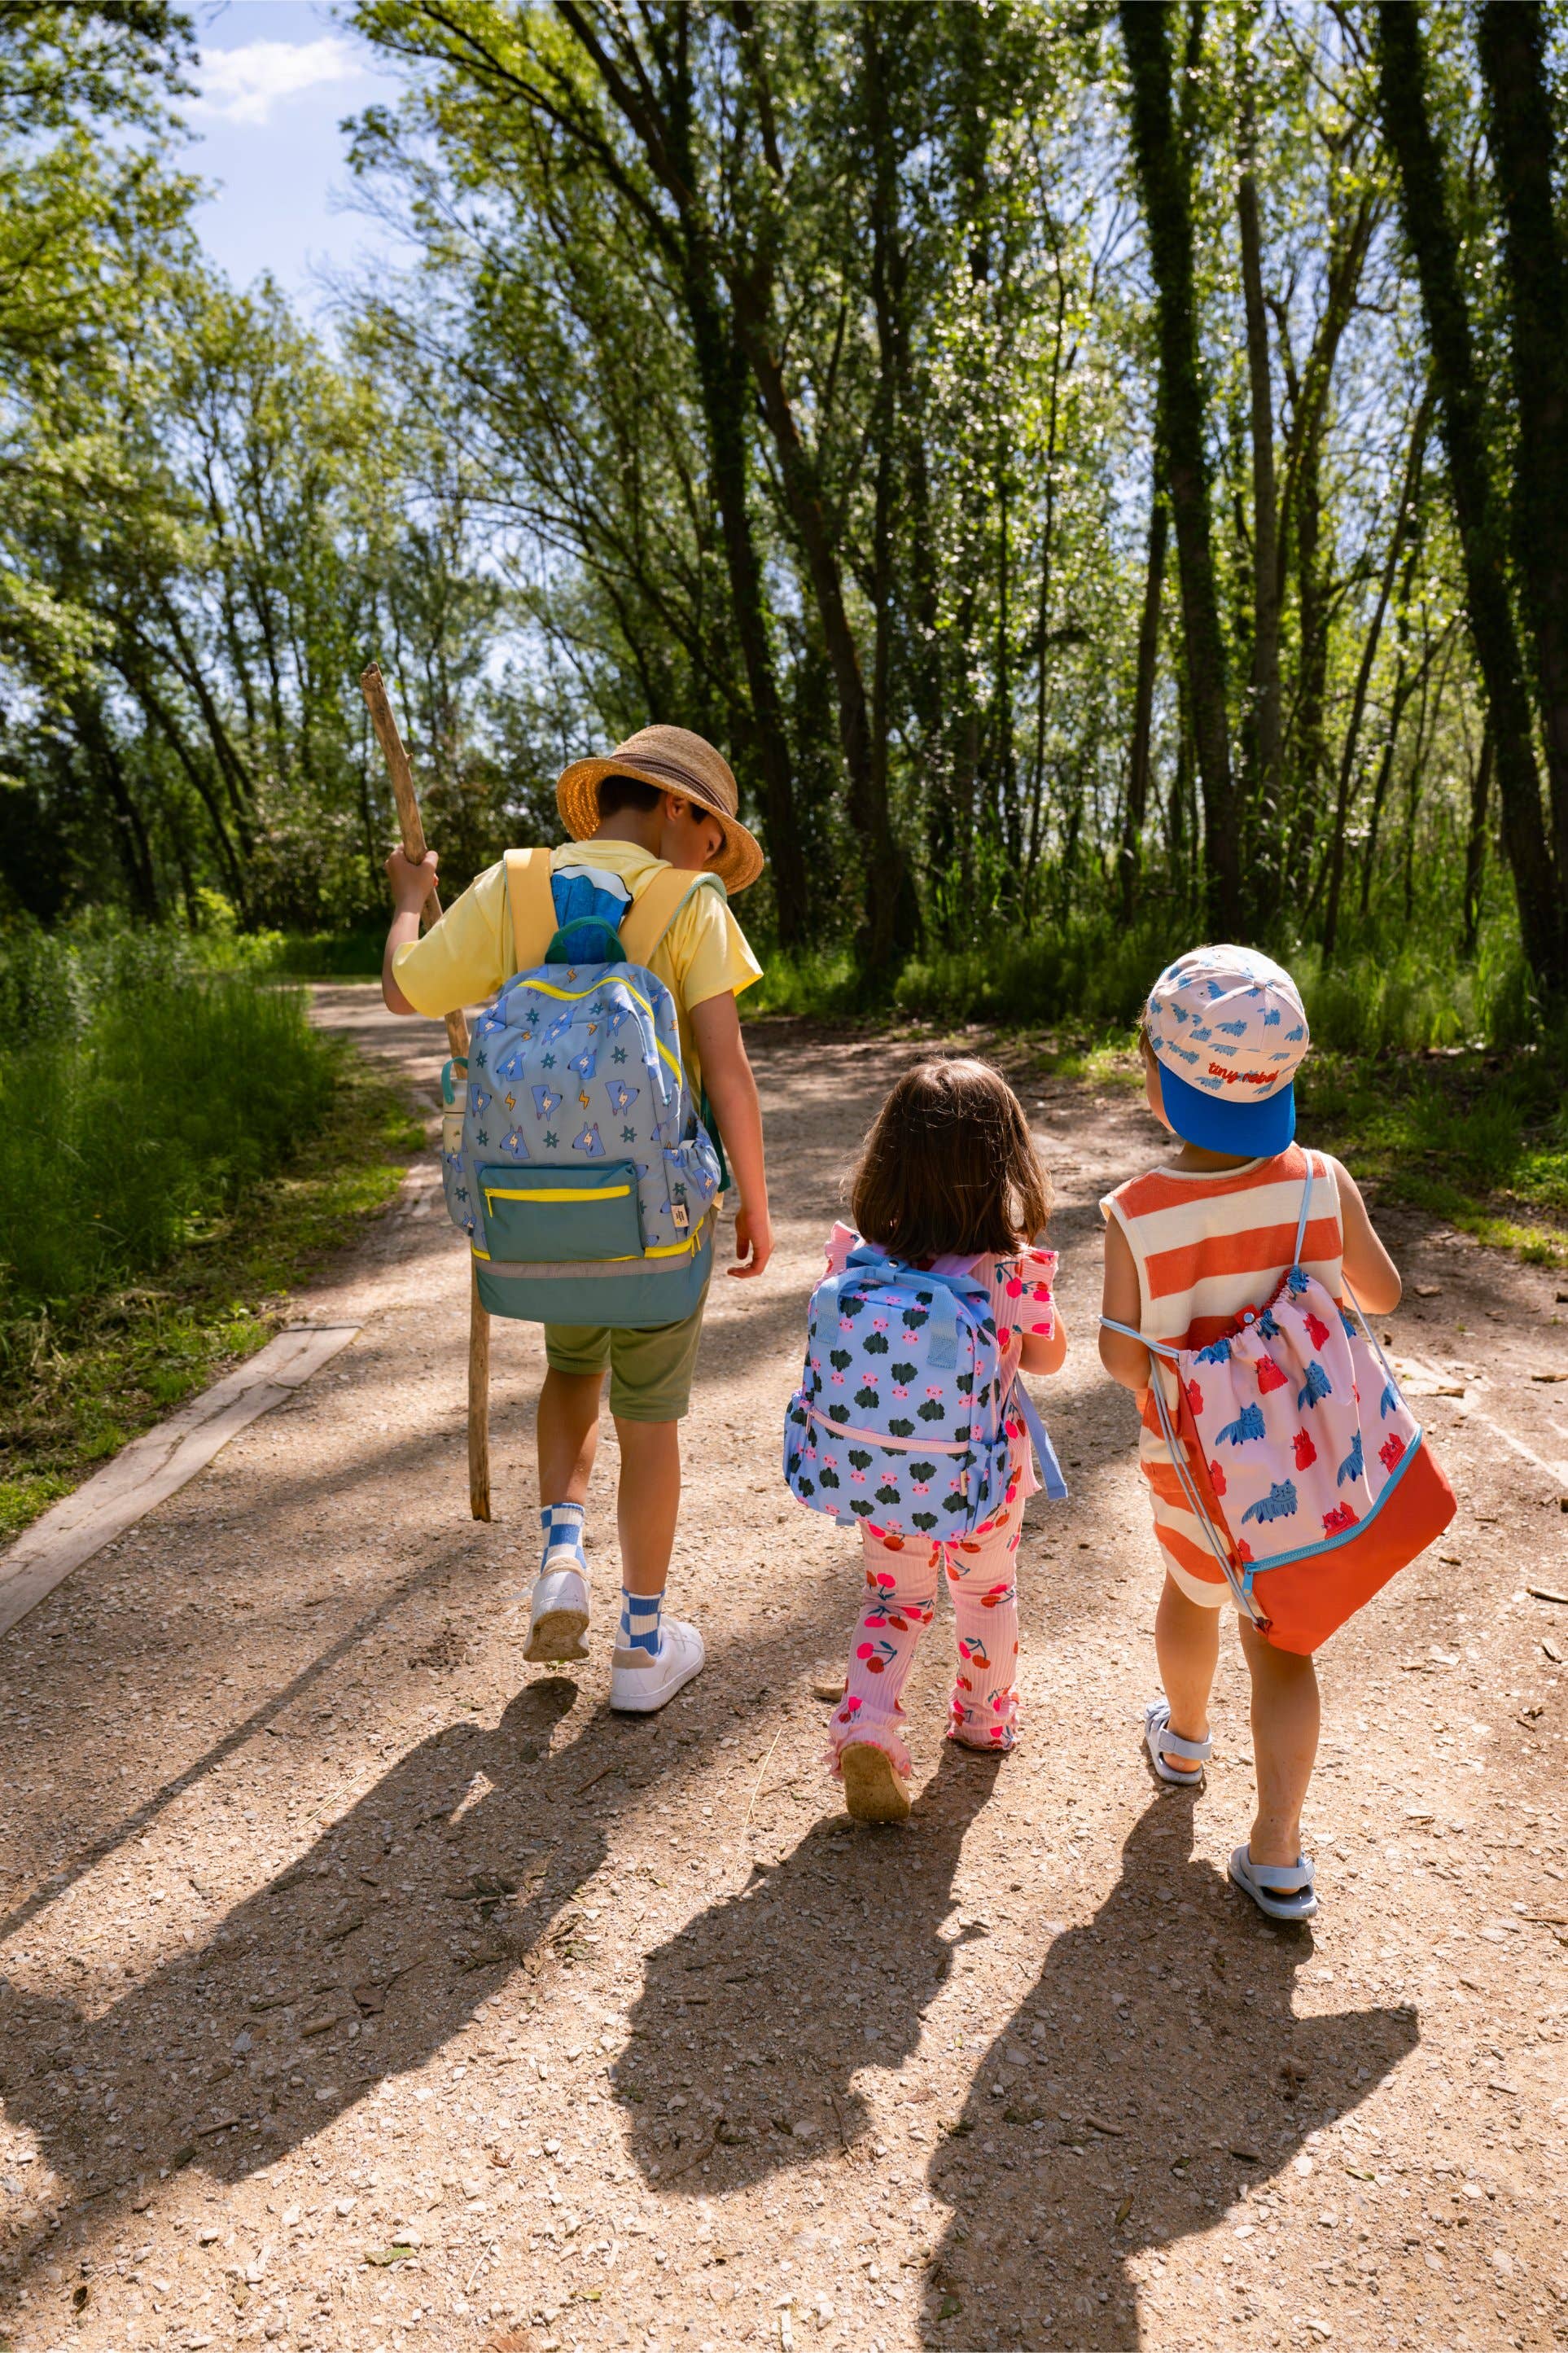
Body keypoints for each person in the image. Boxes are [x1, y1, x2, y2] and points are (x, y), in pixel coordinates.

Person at [380, 724, 773, 1714]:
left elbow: (401, 989)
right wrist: (755, 1200)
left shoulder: (513, 887)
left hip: (545, 1216)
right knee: (651, 1419)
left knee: (571, 1371)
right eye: (712, 835)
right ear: (677, 807)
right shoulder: (691, 902)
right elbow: (728, 1070)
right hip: (657, 1220)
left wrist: (409, 901)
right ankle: (641, 1647)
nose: (711, 857)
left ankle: (562, 1554)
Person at [1099, 944, 1402, 1921]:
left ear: (1157, 1078)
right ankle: (1278, 1852)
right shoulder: (1320, 1179)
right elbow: (1382, 1293)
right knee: (1284, 1648)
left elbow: (1125, 1361)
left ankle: (1185, 1740)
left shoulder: (1136, 1214)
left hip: (1195, 1471)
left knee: (1192, 1595)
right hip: (1310, 1474)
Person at [813, 1059, 1068, 1823]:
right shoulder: (1009, 1269)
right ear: (1005, 1164)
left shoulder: (863, 1258)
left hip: (885, 1473)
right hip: (984, 1476)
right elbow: (1049, 1358)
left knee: (893, 1599)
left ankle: (867, 1723)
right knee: (986, 1593)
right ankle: (984, 1720)